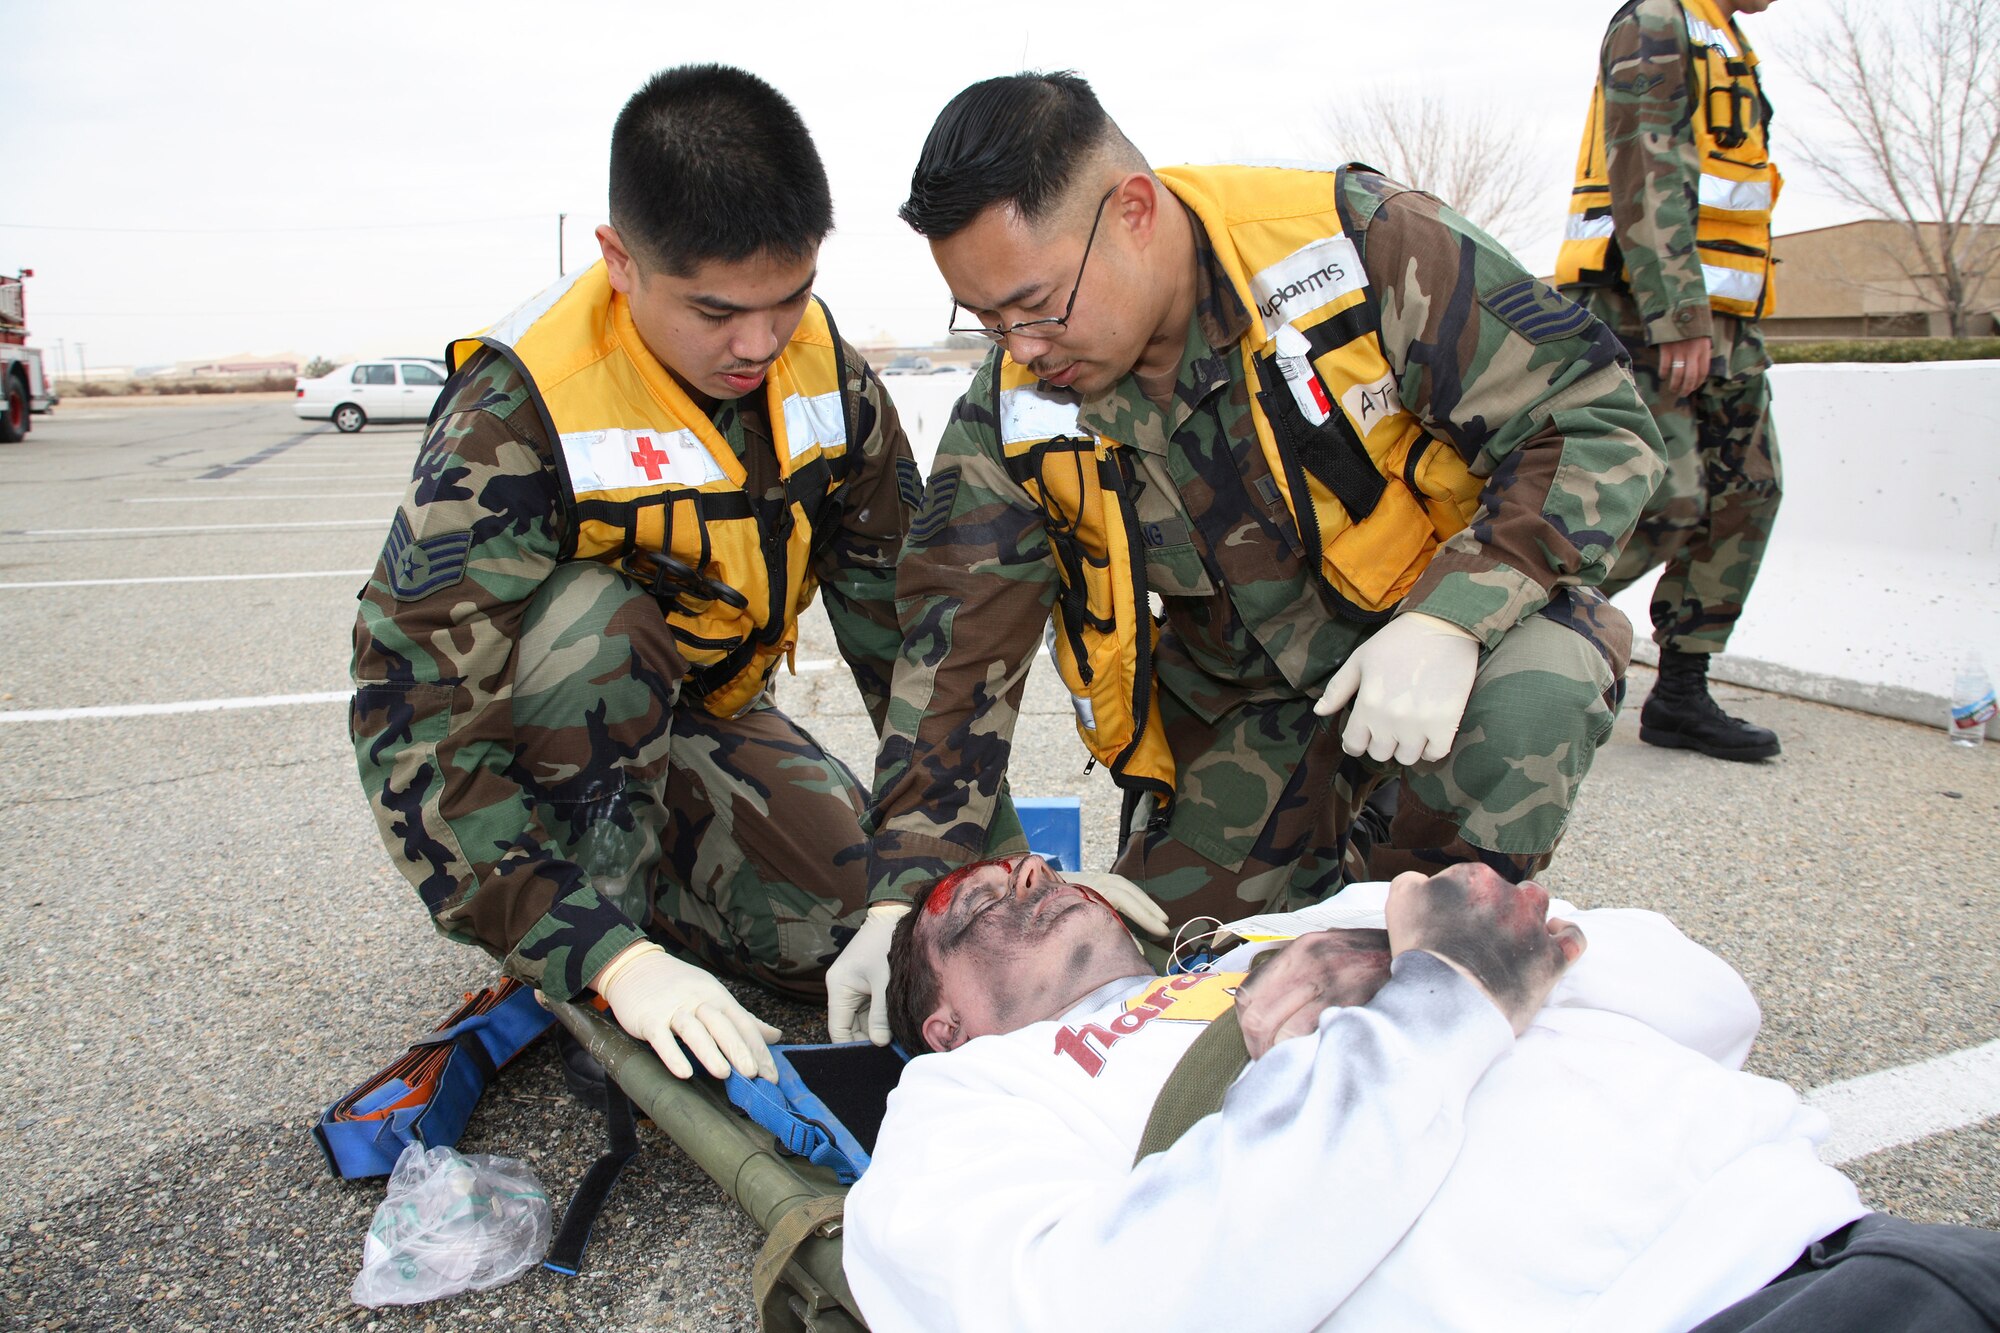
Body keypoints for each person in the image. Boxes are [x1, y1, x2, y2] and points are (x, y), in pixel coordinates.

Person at [827, 70, 1666, 1042]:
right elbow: (954, 648)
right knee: (1152, 995)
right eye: (983, 319)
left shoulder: (1357, 251)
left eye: (1034, 304)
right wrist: (899, 893)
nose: (1016, 347)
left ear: (1133, 213)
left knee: (1535, 696)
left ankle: (1446, 974)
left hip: (1432, 672)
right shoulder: (1017, 401)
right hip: (1234, 730)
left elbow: (1593, 420)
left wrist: (1453, 617)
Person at [349, 65, 918, 1086]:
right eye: (714, 311)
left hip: (705, 711)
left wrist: (931, 862)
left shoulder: (823, 370)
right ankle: (590, 934)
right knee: (593, 624)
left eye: (787, 299)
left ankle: (661, 889)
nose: (757, 343)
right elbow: (416, 718)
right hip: (566, 716)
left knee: (846, 933)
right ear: (619, 260)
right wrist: (605, 957)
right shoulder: (519, 413)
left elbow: (910, 629)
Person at [844, 856, 2000, 1332]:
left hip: (1861, 1236)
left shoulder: (1286, 926)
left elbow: (1709, 1005)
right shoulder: (970, 1101)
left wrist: (1426, 953)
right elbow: (1092, 1311)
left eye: (1030, 863)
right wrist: (1435, 1011)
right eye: (968, 896)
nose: (1025, 873)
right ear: (936, 1021)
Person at [1555, 0, 1786, 762]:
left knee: (1747, 490)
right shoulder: (1658, 19)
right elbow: (1644, 162)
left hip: (1728, 319)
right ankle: (1499, 645)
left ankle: (1683, 688)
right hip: (1647, 306)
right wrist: (1676, 311)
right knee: (1662, 500)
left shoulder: (1727, 33)